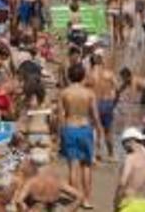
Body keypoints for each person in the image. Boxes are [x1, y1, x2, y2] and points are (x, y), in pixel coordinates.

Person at [59, 62, 102, 206]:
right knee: (87, 165)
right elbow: (95, 116)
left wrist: (60, 134)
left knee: (73, 165)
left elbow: (61, 116)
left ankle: (75, 198)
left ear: (69, 76)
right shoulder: (89, 93)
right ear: (83, 76)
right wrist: (100, 131)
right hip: (85, 129)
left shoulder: (64, 93)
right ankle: (87, 200)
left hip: (70, 128)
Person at [115, 127, 145, 212]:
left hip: (130, 205)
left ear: (131, 141)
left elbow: (122, 183)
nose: (124, 148)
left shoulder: (131, 158)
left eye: (124, 143)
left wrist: (116, 202)